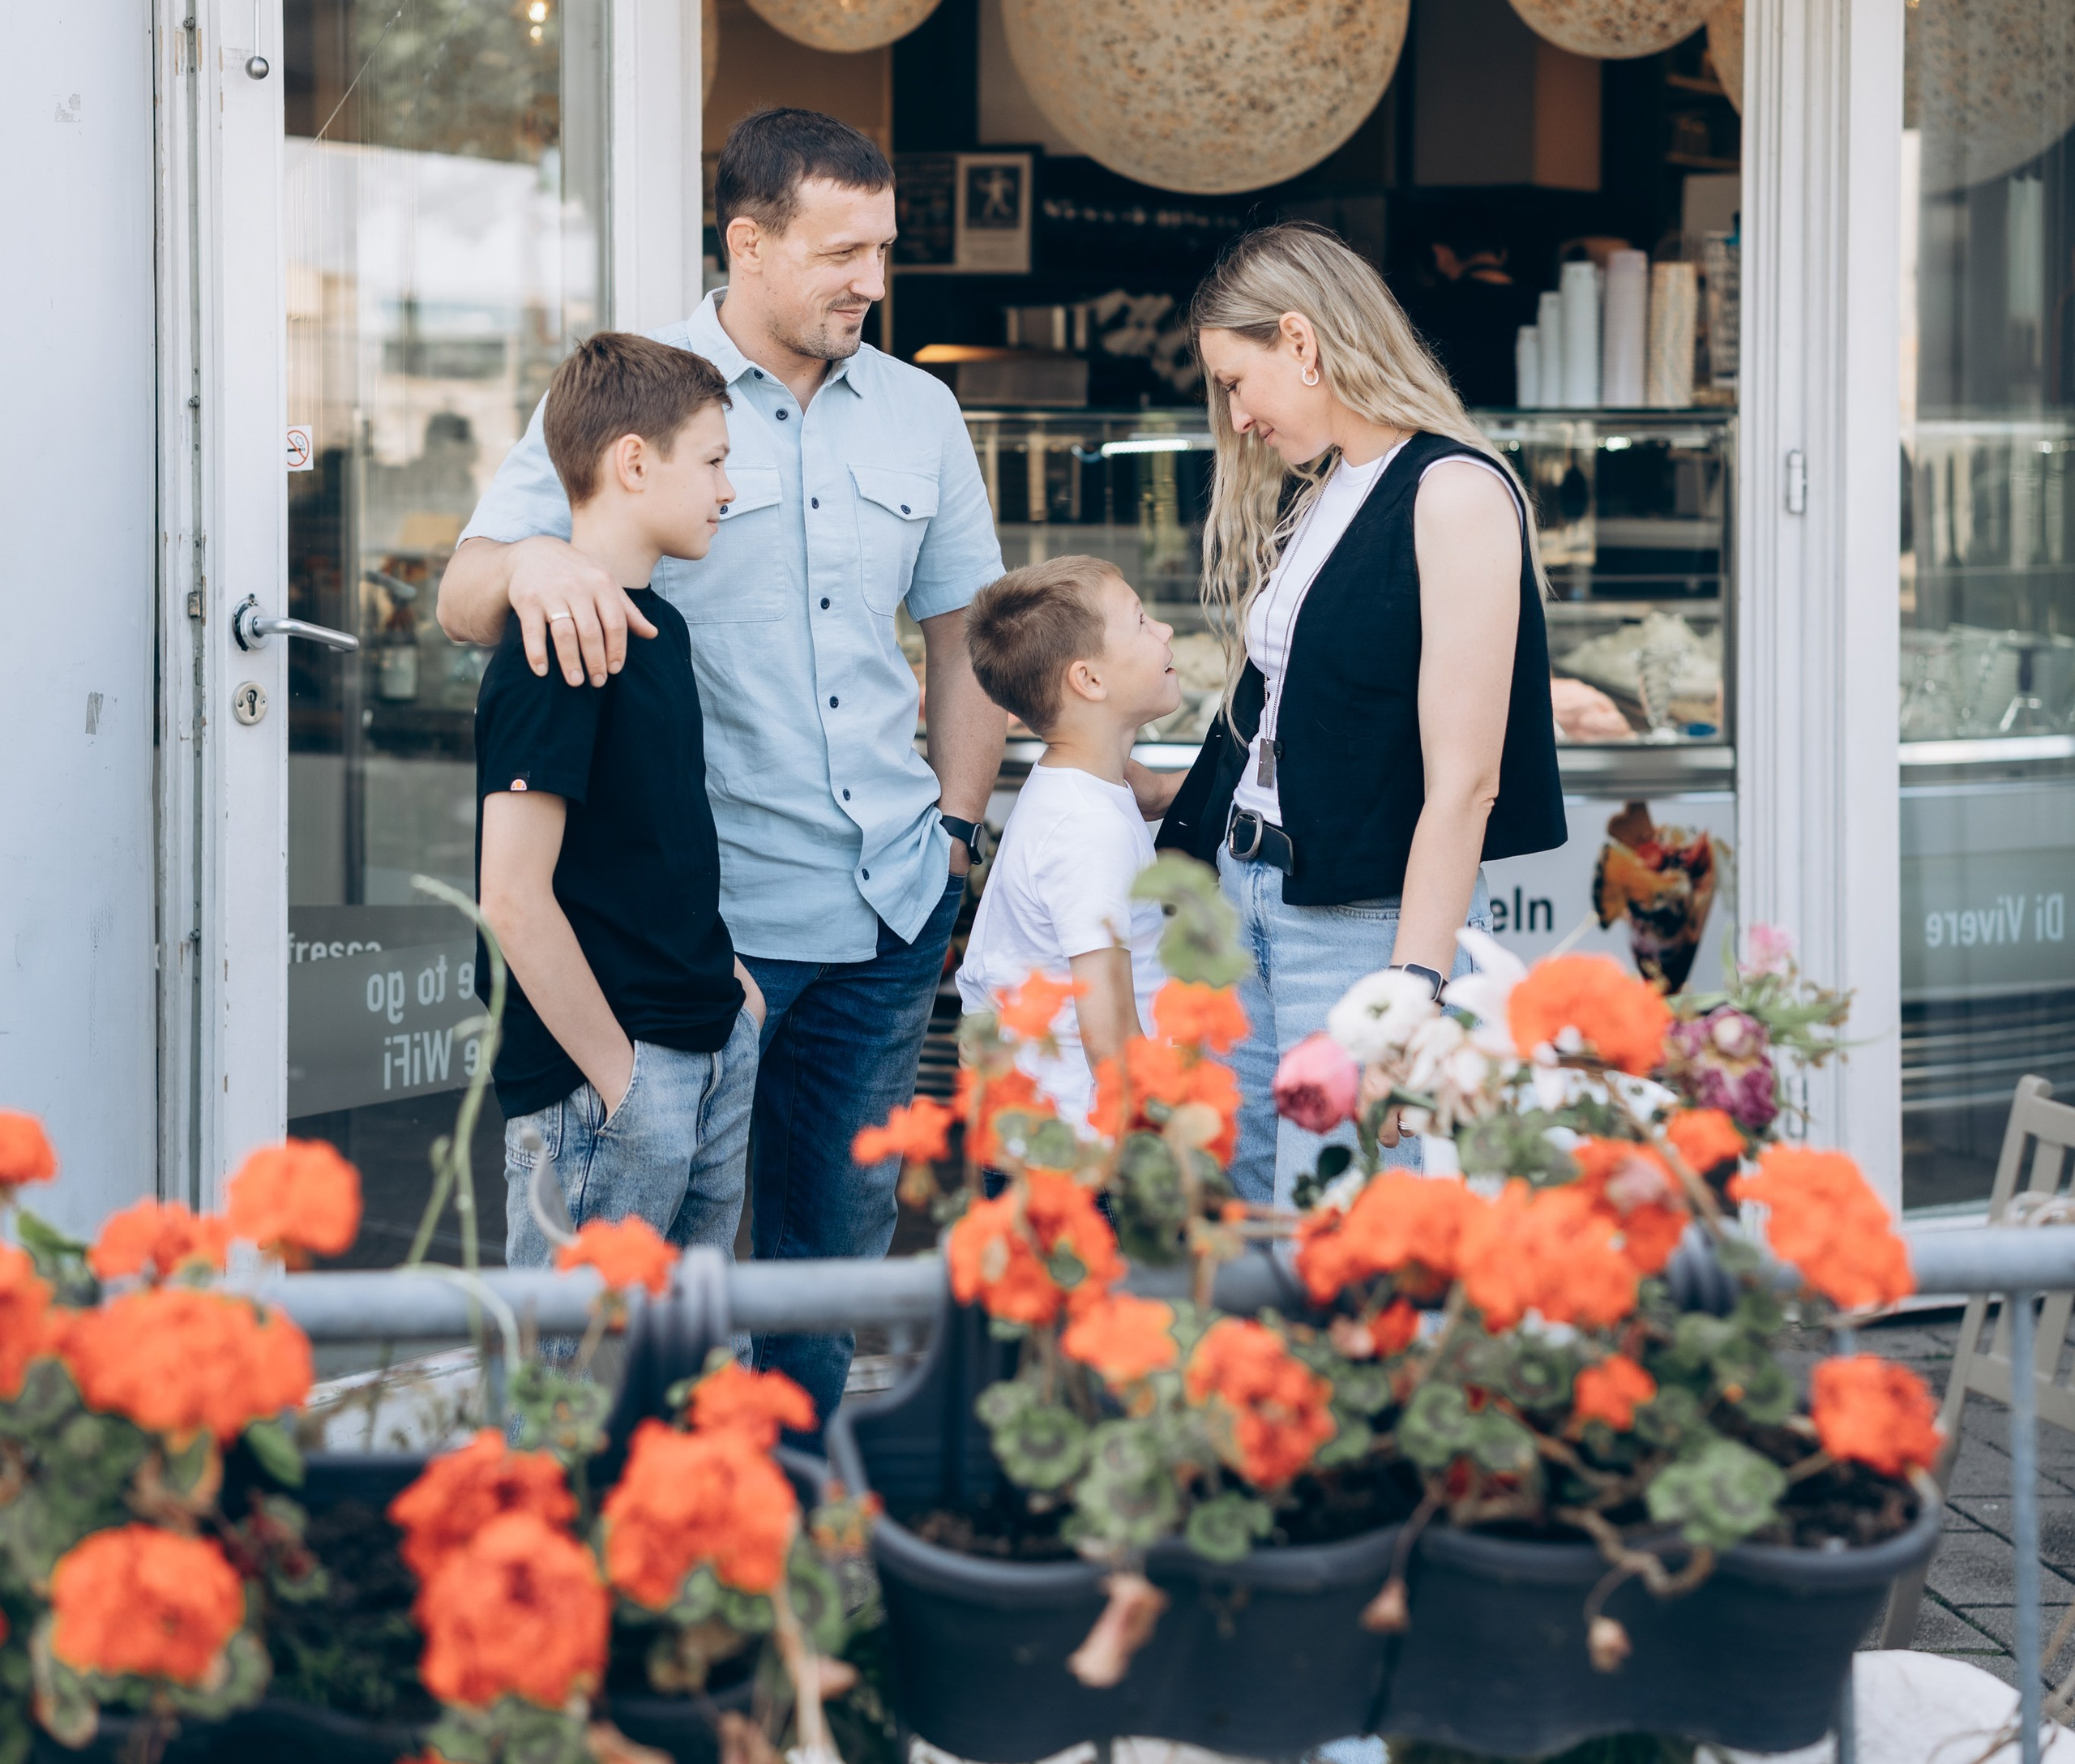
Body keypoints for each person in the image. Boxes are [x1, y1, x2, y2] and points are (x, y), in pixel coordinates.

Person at [437, 109, 1009, 1428]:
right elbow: (473, 584)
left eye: (883, 248)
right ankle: (642, 1531)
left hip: (888, 914)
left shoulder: (921, 410)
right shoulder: (647, 398)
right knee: (660, 1282)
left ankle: (789, 1519)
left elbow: (965, 632)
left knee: (828, 1262)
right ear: (748, 244)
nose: (871, 279)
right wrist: (530, 565)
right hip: (712, 935)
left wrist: (961, 837)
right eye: (841, 250)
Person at [1163, 221, 1565, 1206]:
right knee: (1250, 1215)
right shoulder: (1330, 487)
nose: (1238, 415)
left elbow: (1466, 782)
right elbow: (1283, 720)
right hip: (1244, 892)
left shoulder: (1453, 492)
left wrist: (1415, 992)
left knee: (1349, 1230)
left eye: (1234, 379)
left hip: (1360, 930)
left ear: (1300, 343)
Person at [476, 332, 763, 1265]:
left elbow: (661, 836)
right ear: (634, 463)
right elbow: (513, 896)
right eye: (715, 461)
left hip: (706, 1042)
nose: (729, 489)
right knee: (572, 1388)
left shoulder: (660, 627)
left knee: (684, 1374)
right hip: (607, 1081)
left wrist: (734, 998)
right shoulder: (550, 648)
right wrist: (620, 1080)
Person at [957, 559, 1181, 1125]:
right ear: (1090, 681)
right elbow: (1110, 1038)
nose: (1167, 631)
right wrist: (1165, 1146)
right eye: (1142, 621)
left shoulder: (1079, 788)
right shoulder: (1088, 829)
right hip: (1089, 1152)